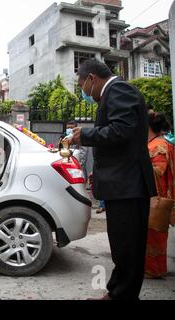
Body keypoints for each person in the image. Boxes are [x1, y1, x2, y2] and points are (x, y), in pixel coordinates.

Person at [68, 59, 157, 300]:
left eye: (81, 85)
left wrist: (85, 135)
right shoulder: (115, 92)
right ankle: (117, 292)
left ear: (91, 79)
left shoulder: (119, 90)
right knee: (123, 246)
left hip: (128, 185)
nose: (83, 92)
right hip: (123, 184)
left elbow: (121, 130)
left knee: (128, 247)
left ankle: (122, 296)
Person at [145, 111, 174, 279]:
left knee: (154, 233)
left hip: (156, 198)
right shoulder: (155, 143)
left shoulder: (158, 146)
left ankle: (153, 270)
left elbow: (158, 171)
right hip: (153, 196)